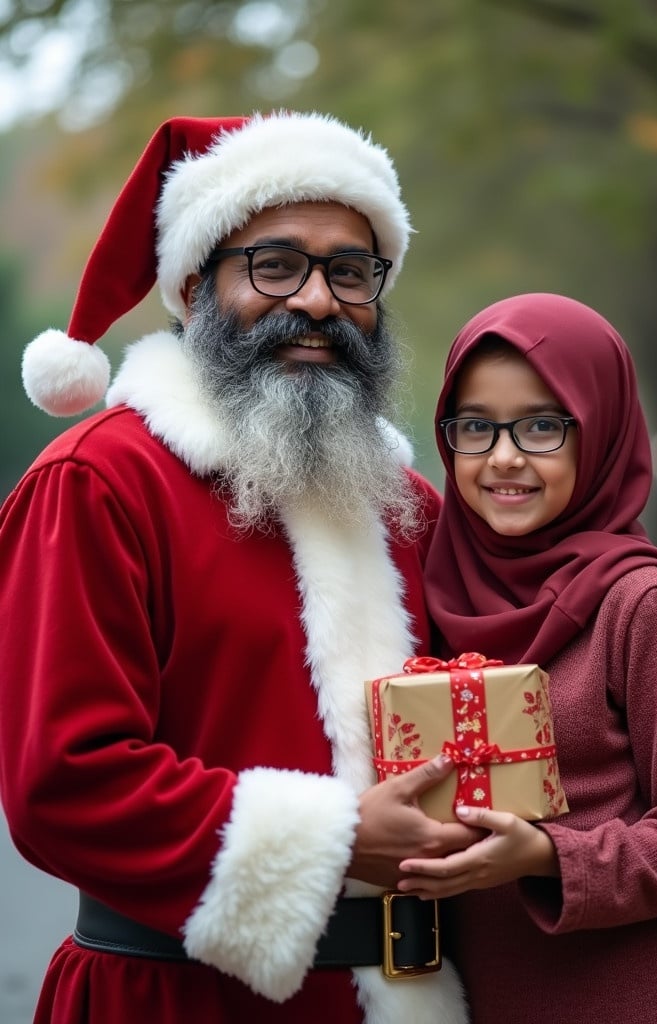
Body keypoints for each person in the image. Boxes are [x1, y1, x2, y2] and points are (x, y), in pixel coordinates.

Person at [0, 112, 480, 1024]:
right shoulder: (97, 483)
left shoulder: (409, 503)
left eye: (350, 270)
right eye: (276, 264)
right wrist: (335, 844)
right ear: (194, 285)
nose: (317, 301)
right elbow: (62, 780)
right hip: (170, 998)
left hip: (406, 997)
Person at [397, 292, 657, 1023]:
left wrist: (546, 857)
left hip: (611, 996)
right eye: (476, 426)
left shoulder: (640, 603)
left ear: (598, 431)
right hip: (459, 997)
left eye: (540, 426)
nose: (504, 457)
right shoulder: (426, 585)